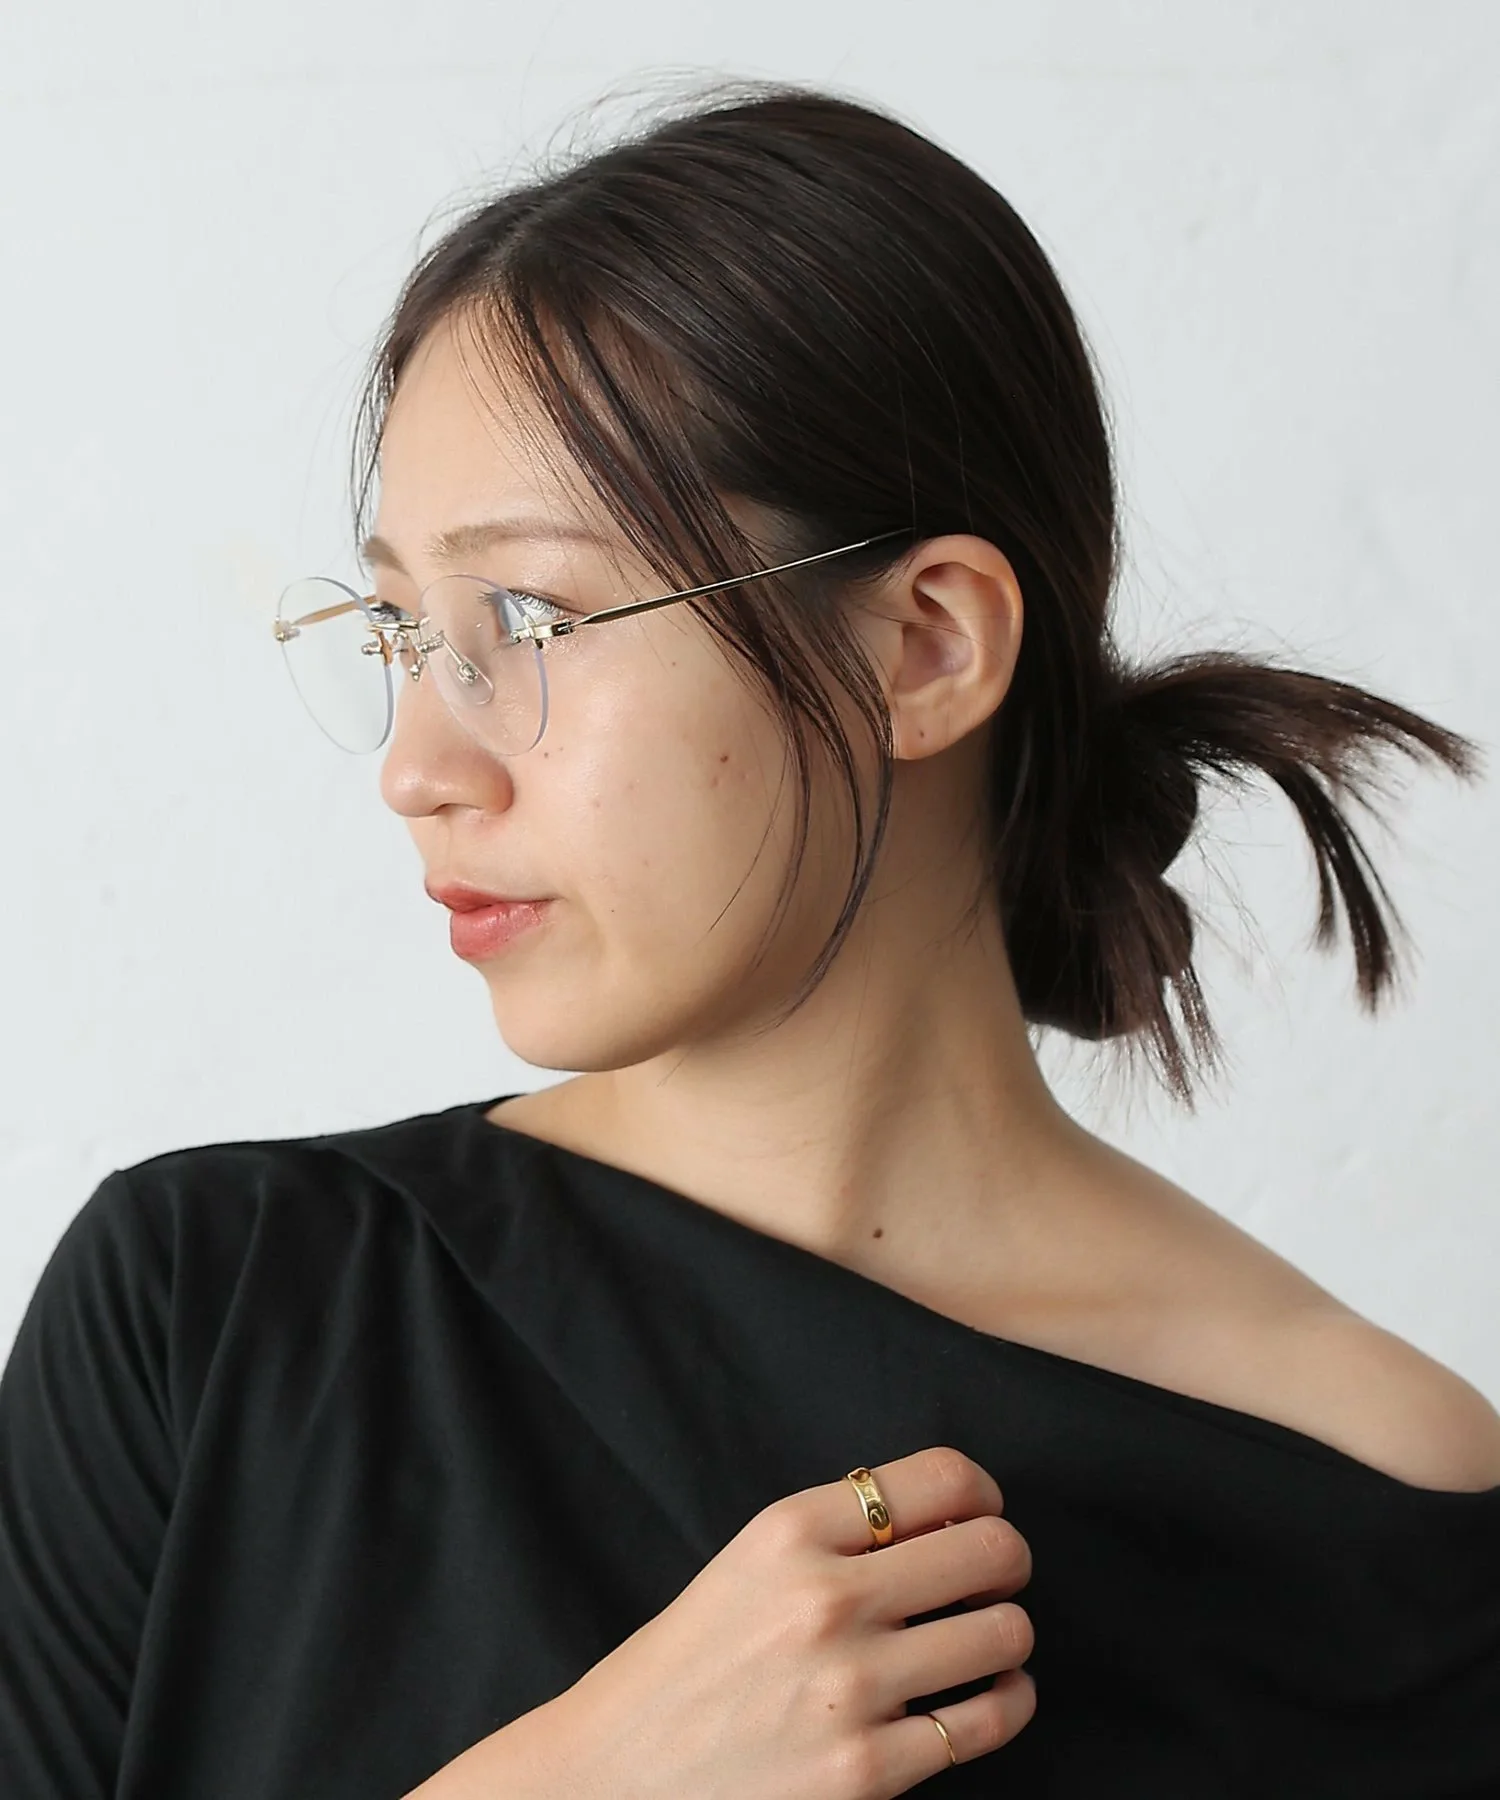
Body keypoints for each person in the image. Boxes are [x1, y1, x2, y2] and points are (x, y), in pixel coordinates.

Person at [4, 80, 1499, 1800]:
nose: (419, 768)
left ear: (927, 646)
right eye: (404, 628)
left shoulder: (1374, 1504)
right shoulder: (215, 1313)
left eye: (528, 616)